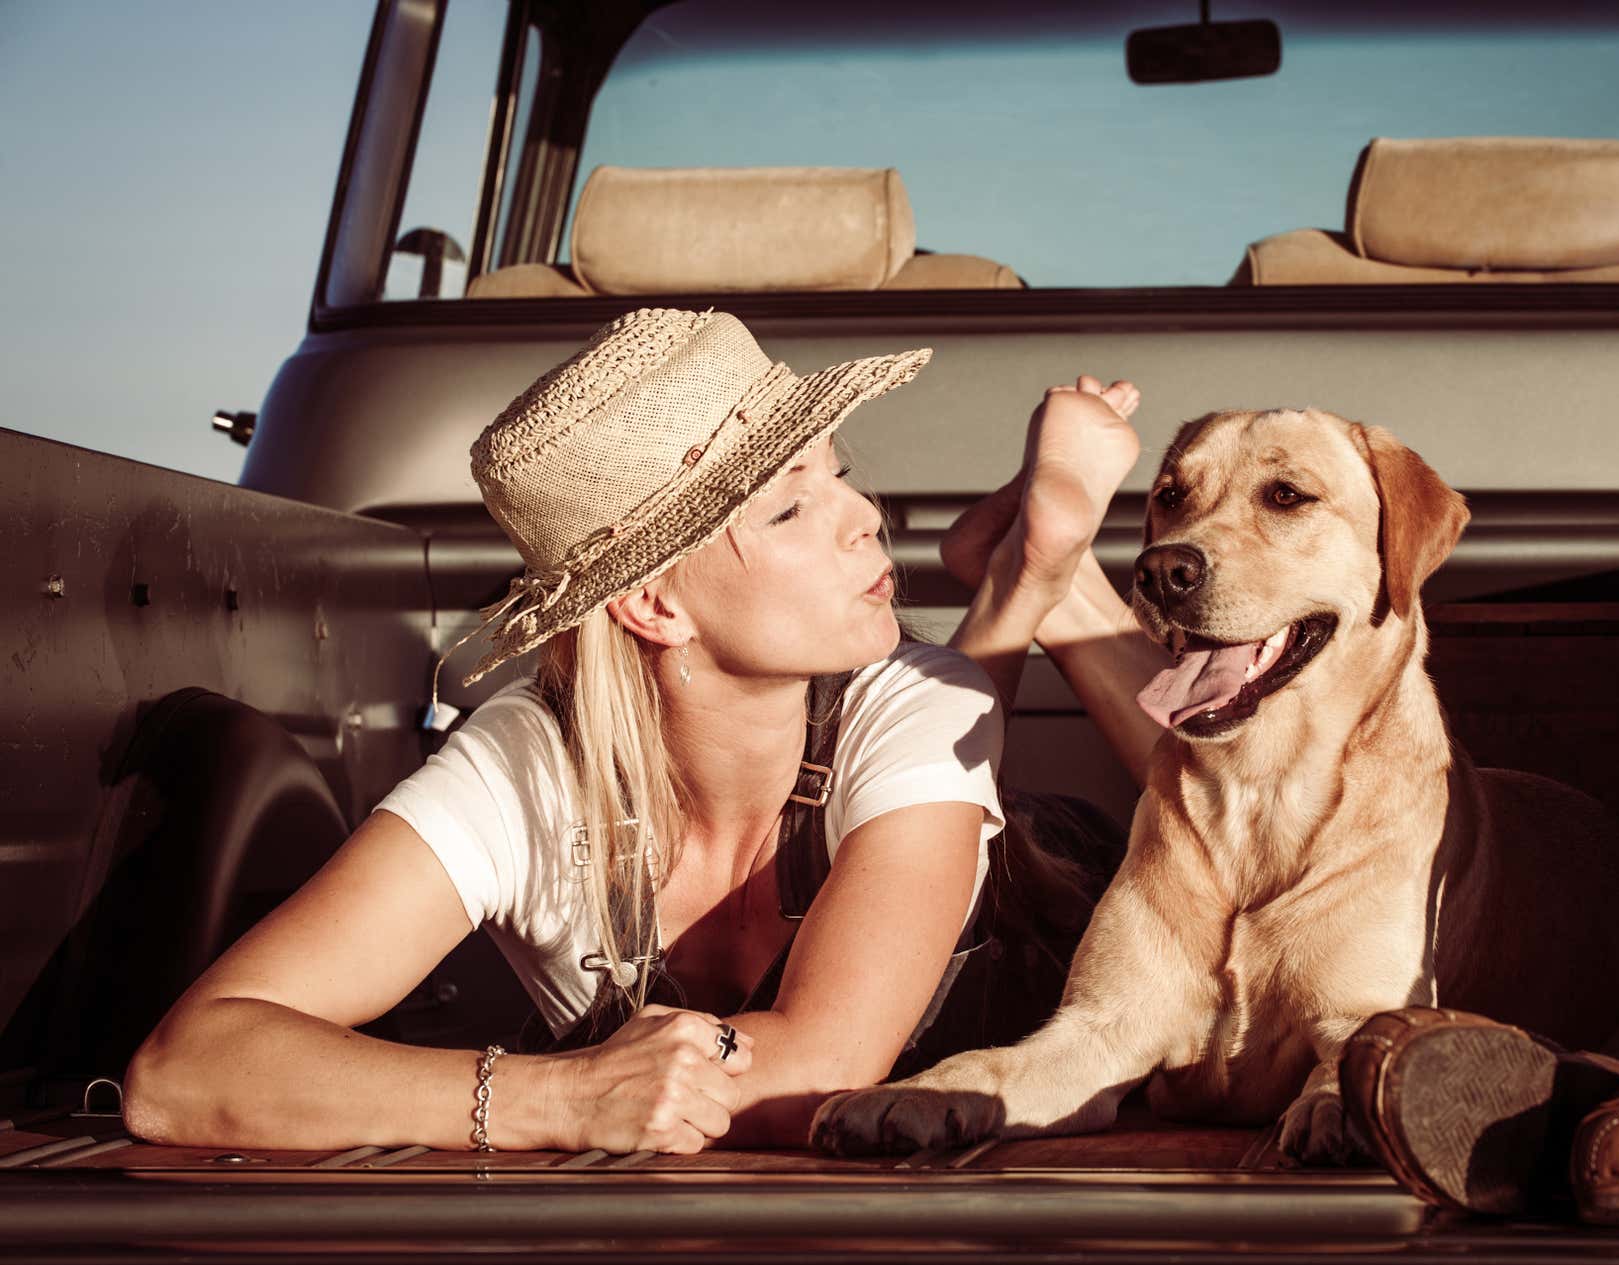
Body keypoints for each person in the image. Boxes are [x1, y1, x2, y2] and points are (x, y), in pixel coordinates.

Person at [122, 307, 1169, 1155]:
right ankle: (1035, 581)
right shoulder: (522, 765)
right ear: (655, 605)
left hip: (1044, 929)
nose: (865, 519)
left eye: (838, 474)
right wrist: (555, 1099)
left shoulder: (913, 698)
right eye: (789, 509)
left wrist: (586, 1090)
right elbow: (185, 1069)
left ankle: (1047, 587)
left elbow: (826, 1060)